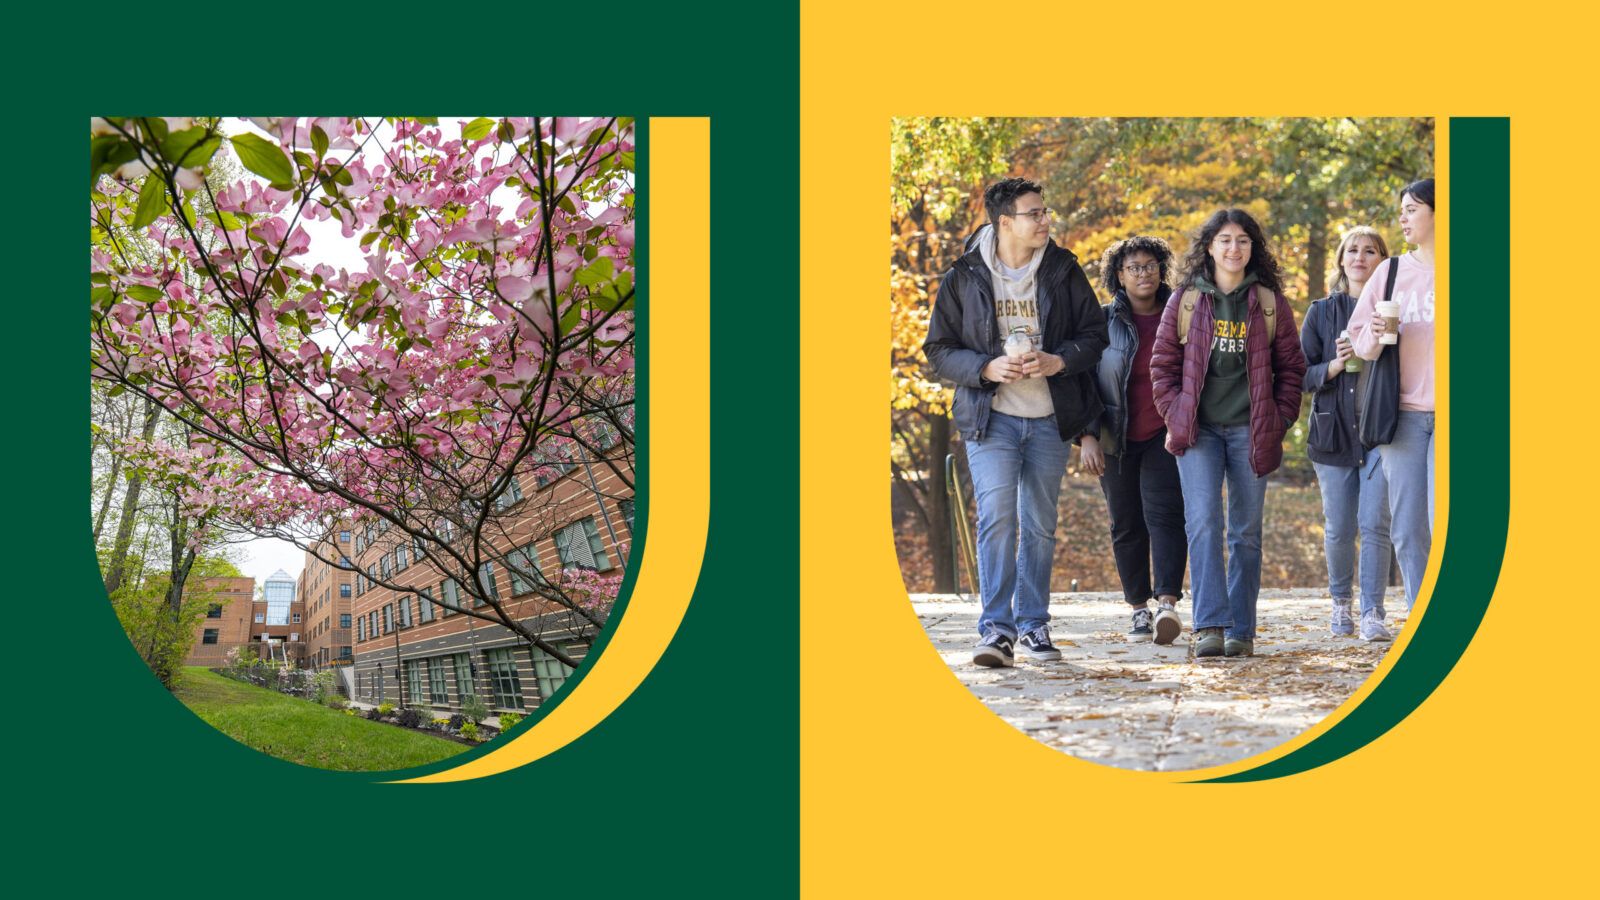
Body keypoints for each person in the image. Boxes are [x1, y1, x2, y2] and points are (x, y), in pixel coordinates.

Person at [924, 177, 1108, 667]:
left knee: (1040, 524)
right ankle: (996, 631)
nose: (1045, 220)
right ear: (1005, 222)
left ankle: (1033, 625)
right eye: (1035, 213)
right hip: (991, 419)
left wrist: (1058, 361)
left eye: (1045, 212)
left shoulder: (1064, 270)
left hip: (1050, 417)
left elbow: (1095, 335)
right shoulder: (963, 275)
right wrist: (984, 368)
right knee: (999, 519)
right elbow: (938, 351)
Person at [1150, 209, 1306, 658]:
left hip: (1250, 431)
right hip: (1197, 432)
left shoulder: (1268, 300)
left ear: (1252, 247)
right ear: (1210, 248)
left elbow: (1292, 367)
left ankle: (1241, 628)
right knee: (1202, 524)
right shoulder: (1186, 300)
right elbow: (1162, 366)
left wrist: (1278, 417)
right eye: (1224, 240)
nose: (1233, 248)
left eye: (1242, 240)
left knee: (1245, 532)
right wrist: (1176, 413)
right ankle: (1210, 626)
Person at [1079, 236, 1187, 644]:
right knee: (1125, 522)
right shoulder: (1101, 321)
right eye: (1133, 268)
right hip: (1114, 437)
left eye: (1149, 265)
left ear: (1161, 269)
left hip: (1166, 434)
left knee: (1165, 517)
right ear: (1118, 276)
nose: (1143, 273)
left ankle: (1168, 605)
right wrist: (1087, 435)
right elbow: (1085, 381)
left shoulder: (1181, 315)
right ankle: (1138, 608)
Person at [1301, 226, 1394, 641]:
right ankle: (1341, 605)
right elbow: (1298, 375)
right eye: (1352, 250)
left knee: (1375, 525)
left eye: (1370, 250)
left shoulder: (1395, 309)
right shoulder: (1321, 312)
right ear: (1341, 260)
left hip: (1382, 434)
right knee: (1339, 527)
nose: (1360, 257)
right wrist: (1334, 366)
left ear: (1382, 261)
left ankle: (1373, 611)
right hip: (1332, 434)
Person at [1349, 179, 1436, 614]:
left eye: (1412, 209)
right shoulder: (1391, 272)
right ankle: (1424, 616)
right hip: (1401, 416)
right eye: (1401, 210)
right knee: (1407, 527)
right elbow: (1359, 341)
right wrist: (1382, 336)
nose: (1402, 217)